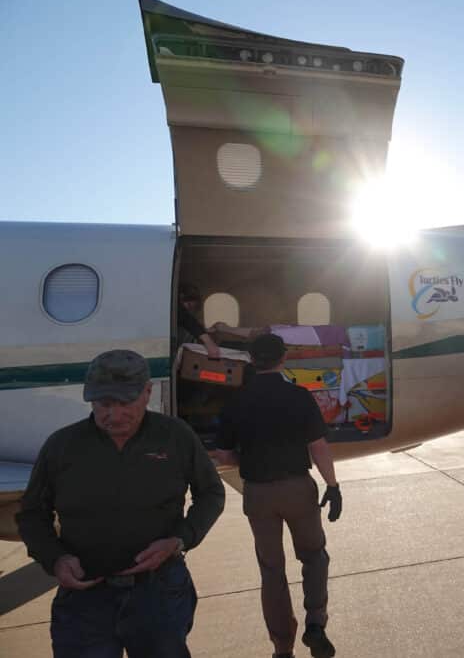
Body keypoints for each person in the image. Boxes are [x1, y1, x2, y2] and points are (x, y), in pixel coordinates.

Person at [16, 349, 226, 657]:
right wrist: (55, 558)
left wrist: (180, 539)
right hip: (85, 599)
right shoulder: (62, 446)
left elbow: (211, 493)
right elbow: (32, 513)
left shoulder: (175, 437)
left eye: (125, 403)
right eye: (104, 404)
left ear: (147, 393)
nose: (114, 415)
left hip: (159, 592)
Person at [214, 334, 343, 658]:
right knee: (314, 556)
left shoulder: (236, 401)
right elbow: (318, 446)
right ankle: (316, 623)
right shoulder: (299, 396)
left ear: (252, 360)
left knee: (272, 570)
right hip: (297, 488)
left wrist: (252, 462)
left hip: (258, 493)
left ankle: (282, 648)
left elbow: (223, 454)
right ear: (282, 358)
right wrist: (333, 485)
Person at [178, 282, 221, 359]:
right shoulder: (179, 311)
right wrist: (208, 342)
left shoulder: (189, 316)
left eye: (192, 307)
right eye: (188, 305)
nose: (188, 309)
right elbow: (187, 320)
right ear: (181, 297)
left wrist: (205, 330)